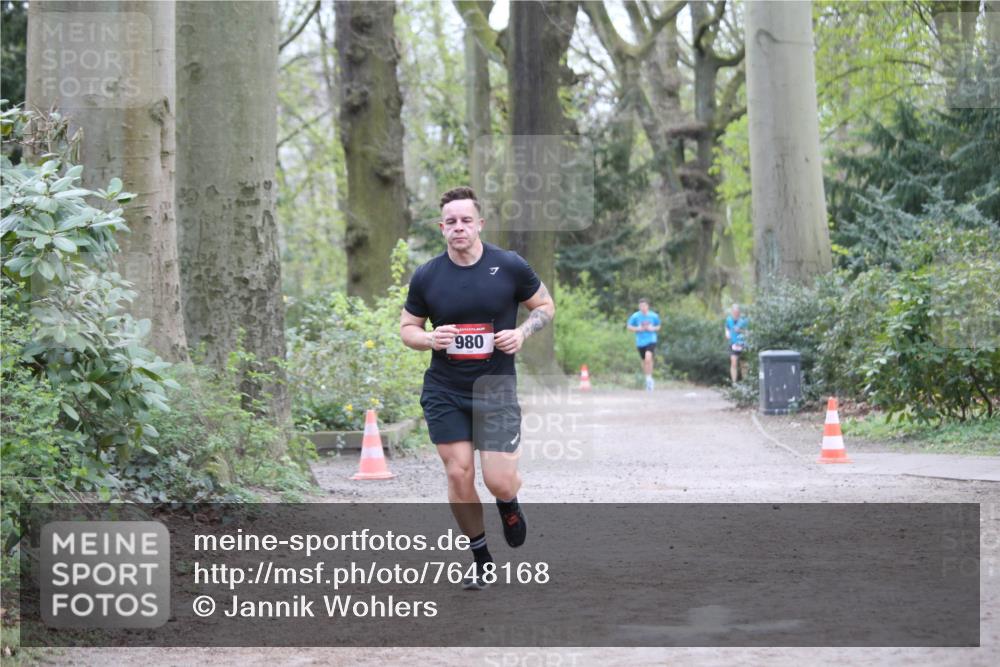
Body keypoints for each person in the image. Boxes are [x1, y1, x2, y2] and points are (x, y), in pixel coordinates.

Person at [399, 186, 555, 590]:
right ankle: (481, 557)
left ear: (480, 224)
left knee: (499, 480)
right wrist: (431, 339)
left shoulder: (509, 266)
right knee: (458, 474)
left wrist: (522, 333)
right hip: (445, 389)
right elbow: (407, 329)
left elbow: (545, 306)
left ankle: (509, 504)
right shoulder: (428, 276)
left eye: (466, 220)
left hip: (495, 388)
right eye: (450, 222)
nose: (458, 228)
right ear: (441, 228)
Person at [626, 298, 661, 391]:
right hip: (640, 341)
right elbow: (629, 326)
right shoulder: (635, 316)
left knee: (648, 357)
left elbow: (658, 326)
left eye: (644, 306)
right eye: (641, 306)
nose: (643, 308)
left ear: (648, 306)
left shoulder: (653, 316)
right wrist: (637, 329)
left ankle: (649, 379)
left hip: (651, 339)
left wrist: (652, 328)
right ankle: (648, 378)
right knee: (644, 361)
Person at [725, 303, 749, 383]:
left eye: (737, 312)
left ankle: (745, 383)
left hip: (743, 344)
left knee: (744, 364)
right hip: (733, 344)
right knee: (734, 362)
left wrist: (741, 331)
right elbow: (727, 329)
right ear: (732, 312)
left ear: (739, 312)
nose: (736, 313)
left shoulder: (744, 320)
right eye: (734, 311)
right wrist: (727, 334)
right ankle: (734, 383)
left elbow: (749, 332)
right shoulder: (729, 320)